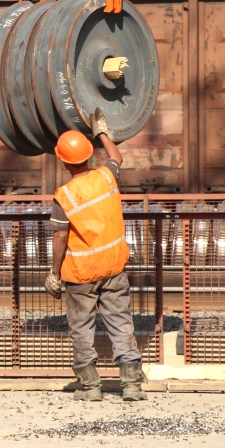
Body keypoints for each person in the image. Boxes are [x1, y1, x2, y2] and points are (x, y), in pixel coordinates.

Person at [44, 108, 146, 402]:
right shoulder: (106, 177)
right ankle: (131, 386)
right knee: (121, 324)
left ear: (63, 161)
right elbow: (117, 158)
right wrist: (102, 131)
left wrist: (54, 273)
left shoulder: (65, 195)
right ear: (89, 155)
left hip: (81, 274)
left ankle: (90, 388)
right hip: (113, 267)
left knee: (81, 328)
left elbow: (61, 236)